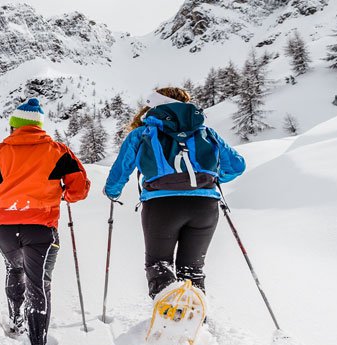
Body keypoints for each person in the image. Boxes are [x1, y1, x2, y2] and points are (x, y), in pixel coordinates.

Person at [0, 97, 90, 345]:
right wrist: (63, 192)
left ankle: (16, 321)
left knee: (14, 268)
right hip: (41, 226)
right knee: (39, 283)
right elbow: (79, 189)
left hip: (4, 227)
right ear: (39, 127)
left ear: (13, 127)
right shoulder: (58, 151)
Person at [103, 87, 245, 300]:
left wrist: (112, 192)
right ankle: (195, 324)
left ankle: (168, 323)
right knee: (192, 269)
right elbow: (236, 166)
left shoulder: (141, 133)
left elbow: (121, 169)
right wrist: (210, 179)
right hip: (205, 207)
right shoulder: (206, 132)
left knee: (159, 266)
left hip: (162, 206)